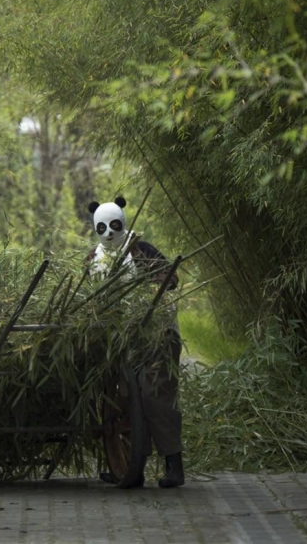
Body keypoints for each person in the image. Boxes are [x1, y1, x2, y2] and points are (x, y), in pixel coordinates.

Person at [87, 196, 185, 489]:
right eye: (101, 228)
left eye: (114, 226)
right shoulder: (95, 257)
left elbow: (172, 279)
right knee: (124, 400)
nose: (108, 233)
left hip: (155, 334)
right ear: (95, 226)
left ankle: (174, 466)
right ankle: (129, 467)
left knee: (155, 395)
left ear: (123, 221)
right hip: (122, 339)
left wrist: (147, 288)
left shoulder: (140, 249)